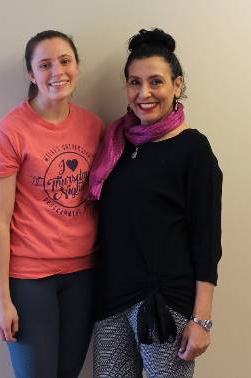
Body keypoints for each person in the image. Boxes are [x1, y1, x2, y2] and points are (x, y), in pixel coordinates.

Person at [89, 28, 222, 377]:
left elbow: (206, 240)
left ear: (177, 85)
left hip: (165, 303)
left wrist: (202, 320)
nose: (143, 93)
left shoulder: (194, 150)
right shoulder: (117, 144)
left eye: (156, 82)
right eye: (134, 82)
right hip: (112, 301)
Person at [0, 30, 103, 378]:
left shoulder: (93, 127)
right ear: (32, 75)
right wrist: (1, 301)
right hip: (30, 280)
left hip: (83, 276)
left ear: (77, 66)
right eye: (45, 64)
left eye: (65, 61)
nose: (57, 72)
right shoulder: (11, 131)